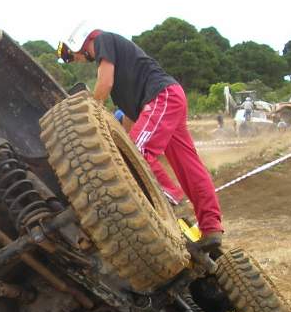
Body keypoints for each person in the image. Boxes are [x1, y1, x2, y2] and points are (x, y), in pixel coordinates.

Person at [57, 23, 224, 252]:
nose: (72, 59)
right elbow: (127, 117)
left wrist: (88, 114)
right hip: (169, 97)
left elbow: (104, 83)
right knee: (188, 166)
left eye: (68, 54)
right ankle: (211, 227)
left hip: (161, 97)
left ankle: (168, 193)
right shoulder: (121, 70)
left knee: (136, 153)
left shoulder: (104, 40)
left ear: (80, 42)